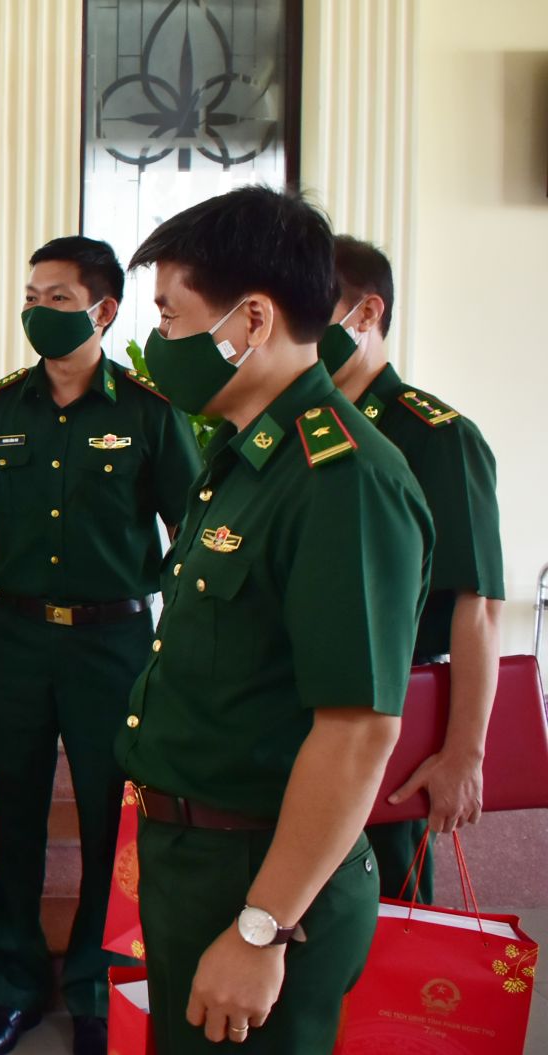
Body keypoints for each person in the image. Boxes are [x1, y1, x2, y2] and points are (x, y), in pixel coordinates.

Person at [115, 186, 433, 1052]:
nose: (158, 342)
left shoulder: (342, 480)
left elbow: (357, 730)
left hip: (263, 880)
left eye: (171, 316)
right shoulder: (246, 458)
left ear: (251, 320)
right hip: (201, 861)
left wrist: (262, 928)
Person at [0, 236, 200, 1055]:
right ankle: (11, 985)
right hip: (16, 637)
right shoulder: (0, 409)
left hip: (114, 642)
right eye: (31, 296)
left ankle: (96, 988)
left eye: (57, 298)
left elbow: (190, 533)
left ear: (104, 309)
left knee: (108, 818)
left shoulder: (150, 411)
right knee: (10, 812)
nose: (38, 310)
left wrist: (181, 649)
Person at [321, 236, 505, 903]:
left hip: (389, 715)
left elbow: (478, 604)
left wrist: (463, 754)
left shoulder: (436, 436)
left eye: (315, 310)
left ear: (367, 313)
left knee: (384, 910)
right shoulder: (301, 431)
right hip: (297, 715)